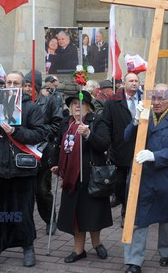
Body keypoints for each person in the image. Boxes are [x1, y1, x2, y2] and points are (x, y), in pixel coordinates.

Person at [0, 71, 45, 273]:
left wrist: (16, 132)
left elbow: (40, 134)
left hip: (22, 169)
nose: (12, 85)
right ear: (4, 85)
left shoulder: (31, 108)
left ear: (23, 86)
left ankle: (27, 246)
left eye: (17, 82)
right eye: (9, 82)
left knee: (23, 212)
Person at [123, 83, 168, 272]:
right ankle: (134, 260)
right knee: (138, 218)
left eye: (161, 98)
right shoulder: (144, 116)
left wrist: (155, 156)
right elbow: (127, 137)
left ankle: (166, 252)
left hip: (165, 176)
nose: (156, 102)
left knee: (167, 218)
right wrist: (135, 121)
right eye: (154, 98)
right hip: (142, 176)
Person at [51, 90, 112, 263]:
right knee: (76, 215)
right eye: (73, 104)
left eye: (81, 103)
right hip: (71, 178)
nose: (77, 107)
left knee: (94, 213)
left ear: (89, 107)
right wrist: (55, 163)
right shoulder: (66, 123)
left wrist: (88, 134)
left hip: (92, 175)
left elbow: (104, 144)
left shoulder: (97, 121)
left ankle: (97, 243)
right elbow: (58, 146)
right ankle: (78, 250)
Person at [24, 70, 62, 235]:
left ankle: (50, 219)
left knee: (42, 190)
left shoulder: (49, 102)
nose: (26, 89)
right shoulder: (18, 102)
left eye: (30, 85)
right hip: (23, 153)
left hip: (42, 151)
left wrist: (38, 133)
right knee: (25, 192)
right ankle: (26, 223)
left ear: (37, 87)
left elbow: (57, 124)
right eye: (24, 85)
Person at [102, 73, 143, 226]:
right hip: (119, 148)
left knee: (134, 183)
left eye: (136, 81)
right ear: (124, 83)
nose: (134, 83)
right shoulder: (112, 101)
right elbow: (106, 123)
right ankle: (124, 205)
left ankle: (129, 212)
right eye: (131, 81)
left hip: (139, 148)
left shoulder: (145, 98)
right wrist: (107, 145)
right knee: (119, 184)